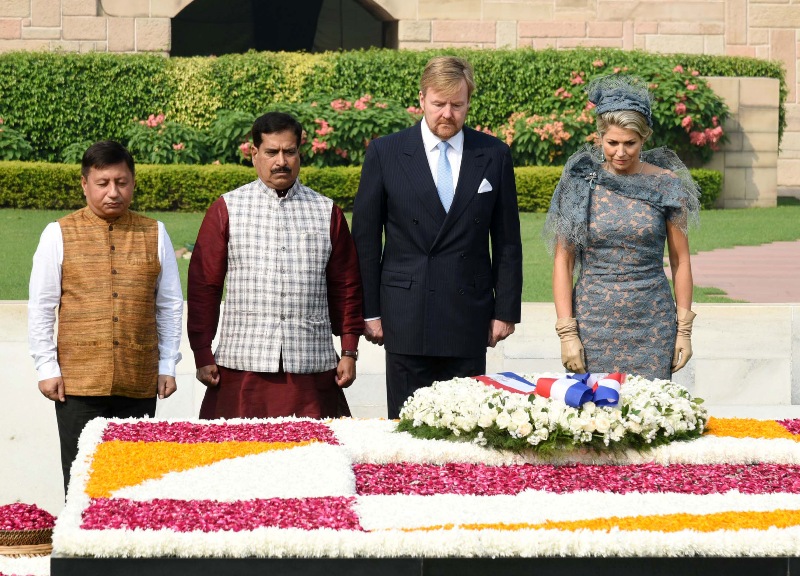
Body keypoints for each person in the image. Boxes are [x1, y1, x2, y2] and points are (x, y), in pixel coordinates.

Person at [352, 56, 523, 419]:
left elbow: (507, 240)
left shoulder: (493, 154)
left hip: (468, 314)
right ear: (422, 99)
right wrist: (370, 311)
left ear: (468, 103)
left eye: (457, 105)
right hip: (405, 314)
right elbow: (365, 239)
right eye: (439, 104)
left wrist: (505, 310)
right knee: (406, 428)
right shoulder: (386, 152)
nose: (447, 114)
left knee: (466, 432)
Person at [28, 140, 183, 496]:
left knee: (136, 482)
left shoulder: (154, 232)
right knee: (82, 480)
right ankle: (81, 550)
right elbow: (41, 304)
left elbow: (170, 304)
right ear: (85, 184)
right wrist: (46, 367)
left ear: (133, 182)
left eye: (122, 182)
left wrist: (167, 365)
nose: (113, 192)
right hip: (78, 384)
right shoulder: (58, 233)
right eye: (103, 183)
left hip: (139, 378)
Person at [188, 111, 363, 419]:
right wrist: (202, 351)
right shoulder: (227, 208)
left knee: (314, 459)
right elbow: (205, 286)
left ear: (300, 153)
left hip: (310, 366)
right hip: (242, 365)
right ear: (254, 153)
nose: (281, 161)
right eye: (271, 152)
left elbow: (346, 286)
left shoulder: (325, 211)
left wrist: (348, 349)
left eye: (289, 152)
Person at [545, 75, 699, 380]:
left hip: (652, 322)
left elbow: (681, 260)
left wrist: (684, 331)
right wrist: (566, 332)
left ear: (645, 139)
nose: (620, 152)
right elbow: (564, 260)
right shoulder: (580, 183)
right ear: (599, 137)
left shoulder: (666, 184)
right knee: (593, 416)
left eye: (630, 143)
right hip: (592, 322)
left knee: (650, 416)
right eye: (612, 142)